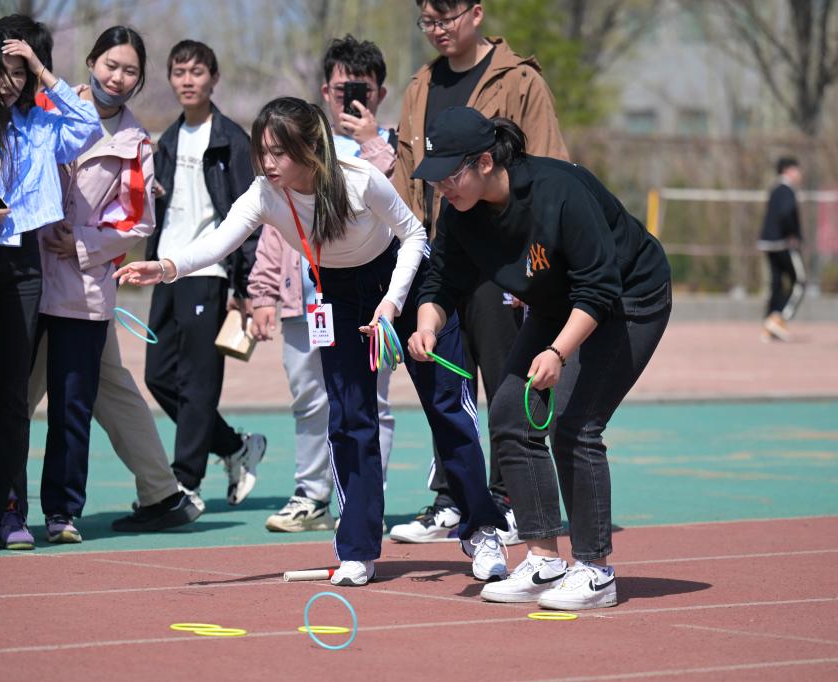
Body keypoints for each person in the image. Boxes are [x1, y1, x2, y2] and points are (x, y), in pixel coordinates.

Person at [116, 97, 511, 587]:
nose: (267, 162)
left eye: (279, 152)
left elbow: (413, 236)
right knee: (349, 419)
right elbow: (220, 240)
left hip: (405, 284)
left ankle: (482, 529)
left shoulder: (358, 178)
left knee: (447, 407)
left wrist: (391, 304)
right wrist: (166, 267)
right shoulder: (265, 193)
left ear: (309, 148)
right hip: (338, 295)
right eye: (262, 151)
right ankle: (358, 549)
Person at [409, 108, 672, 610]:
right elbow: (440, 282)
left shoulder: (559, 191)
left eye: (449, 175)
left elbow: (599, 287)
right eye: (434, 177)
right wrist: (427, 325)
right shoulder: (461, 212)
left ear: (485, 162)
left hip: (629, 298)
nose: (441, 186)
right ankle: (544, 559)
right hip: (559, 302)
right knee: (510, 413)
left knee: (575, 424)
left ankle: (595, 571)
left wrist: (557, 352)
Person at [389, 0, 570, 545]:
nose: (437, 30)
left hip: (504, 260)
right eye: (427, 21)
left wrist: (538, 265)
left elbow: (549, 169)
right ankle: (456, 498)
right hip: (440, 253)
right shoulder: (420, 85)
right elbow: (405, 175)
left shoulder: (520, 80)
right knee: (446, 379)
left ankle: (509, 499)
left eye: (445, 18)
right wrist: (406, 250)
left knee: (506, 379)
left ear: (476, 13)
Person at [28, 26, 201, 542]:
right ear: (91, 61)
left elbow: (137, 221)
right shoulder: (44, 106)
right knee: (55, 391)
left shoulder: (135, 142)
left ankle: (140, 495)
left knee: (65, 396)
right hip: (29, 276)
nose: (118, 78)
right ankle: (161, 491)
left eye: (130, 71)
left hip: (82, 286)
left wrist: (81, 243)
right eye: (111, 65)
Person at [250, 36, 397, 533]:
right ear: (323, 92)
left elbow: (396, 209)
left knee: (370, 401)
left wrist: (373, 141)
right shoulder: (295, 149)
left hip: (367, 301)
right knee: (310, 399)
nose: (349, 99)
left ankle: (364, 500)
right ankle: (312, 495)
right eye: (339, 90)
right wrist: (262, 291)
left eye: (362, 90)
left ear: (379, 94)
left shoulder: (391, 147)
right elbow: (273, 226)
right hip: (305, 299)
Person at [0, 17, 101, 546]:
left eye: (19, 72)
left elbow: (88, 126)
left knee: (12, 393)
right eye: (3, 70)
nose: (11, 82)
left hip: (23, 260)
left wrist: (44, 71)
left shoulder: (41, 123)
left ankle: (8, 510)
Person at [144, 40, 266, 512]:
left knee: (198, 381)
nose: (187, 80)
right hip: (166, 267)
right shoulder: (167, 141)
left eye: (196, 72)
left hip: (209, 269)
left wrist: (244, 285)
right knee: (158, 376)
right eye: (179, 72)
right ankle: (234, 446)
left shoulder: (231, 140)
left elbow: (249, 216)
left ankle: (186, 480)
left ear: (214, 78)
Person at [757, 157, 805, 342]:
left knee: (776, 284)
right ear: (788, 170)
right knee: (800, 281)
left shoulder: (774, 189)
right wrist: (793, 234)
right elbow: (786, 213)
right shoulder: (787, 190)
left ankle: (769, 324)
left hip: (768, 243)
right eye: (797, 170)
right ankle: (779, 319)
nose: (799, 174)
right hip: (783, 242)